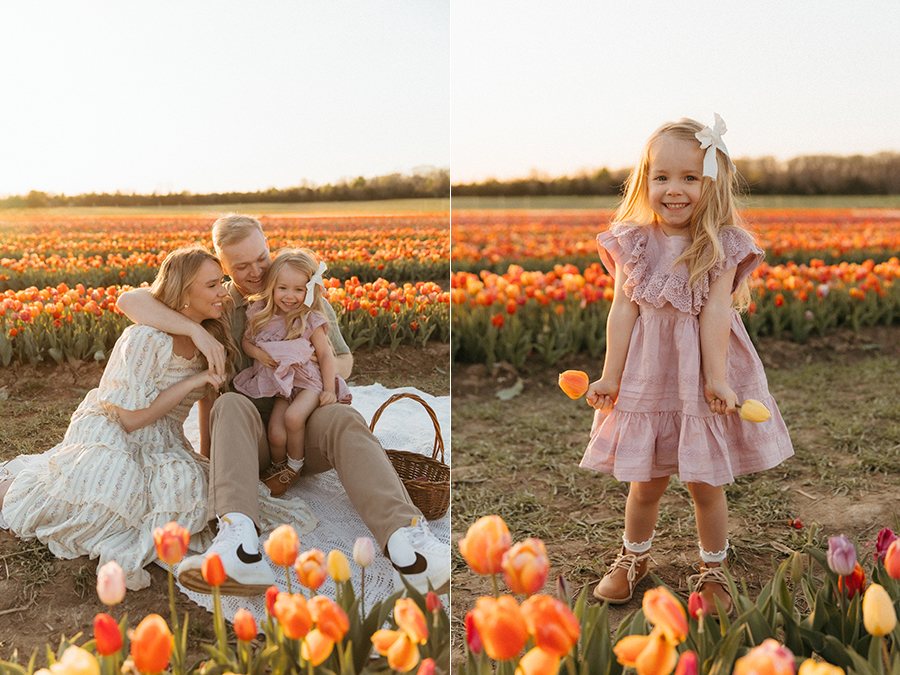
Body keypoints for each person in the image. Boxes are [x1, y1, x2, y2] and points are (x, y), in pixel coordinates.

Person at [116, 214, 449, 595]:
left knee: (342, 415)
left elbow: (342, 361)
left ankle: (410, 546)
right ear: (223, 267)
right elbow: (131, 299)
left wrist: (299, 365)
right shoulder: (217, 304)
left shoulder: (301, 290)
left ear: (267, 245)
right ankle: (239, 550)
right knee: (230, 405)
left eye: (261, 257)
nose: (256, 270)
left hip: (305, 429)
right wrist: (194, 330)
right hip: (250, 443)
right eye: (240, 266)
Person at [0, 247, 316, 592]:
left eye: (221, 282)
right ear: (184, 294)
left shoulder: (213, 337)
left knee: (191, 495)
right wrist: (193, 382)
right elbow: (130, 420)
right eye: (212, 286)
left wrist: (209, 464)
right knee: (104, 496)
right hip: (113, 431)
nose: (224, 293)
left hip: (164, 440)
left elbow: (208, 405)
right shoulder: (144, 338)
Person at [580, 115, 793, 616]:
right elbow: (623, 309)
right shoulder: (632, 240)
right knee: (646, 481)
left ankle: (713, 569)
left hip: (701, 369)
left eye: (690, 178)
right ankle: (634, 558)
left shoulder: (720, 242)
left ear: (711, 185)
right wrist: (611, 374)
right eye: (662, 177)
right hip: (647, 372)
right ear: (645, 182)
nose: (674, 190)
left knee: (705, 482)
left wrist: (716, 378)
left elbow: (718, 311)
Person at [233, 248, 352, 497]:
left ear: (309, 290)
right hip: (281, 386)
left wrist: (329, 389)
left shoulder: (310, 318)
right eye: (283, 288)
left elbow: (326, 355)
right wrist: (258, 354)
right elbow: (246, 342)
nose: (290, 296)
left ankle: (294, 467)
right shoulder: (260, 315)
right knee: (275, 434)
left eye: (299, 289)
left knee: (293, 418)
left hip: (309, 383)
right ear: (272, 287)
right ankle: (279, 466)